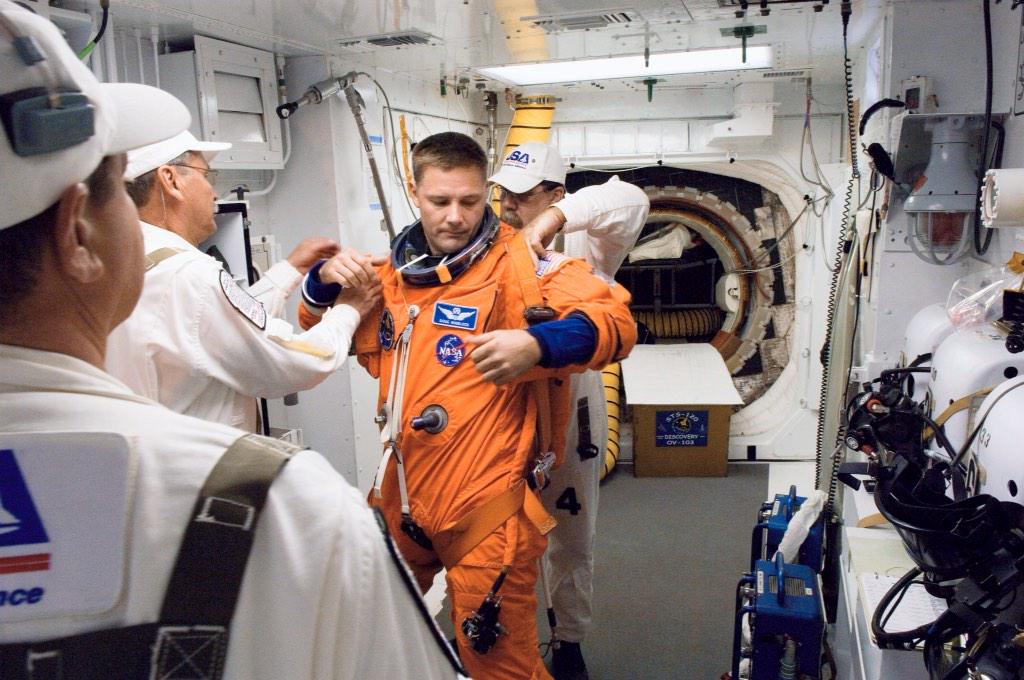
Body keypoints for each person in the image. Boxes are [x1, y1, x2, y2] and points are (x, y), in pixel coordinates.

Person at [0, 4, 465, 678]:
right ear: (77, 231)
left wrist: (286, 273)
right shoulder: (279, 511)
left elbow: (214, 322)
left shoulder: (184, 278)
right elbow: (277, 355)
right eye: (112, 196)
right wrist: (348, 311)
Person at [298, 132, 637, 680]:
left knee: (497, 663)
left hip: (484, 507)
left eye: (470, 201)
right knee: (364, 627)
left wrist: (537, 346)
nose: (455, 217)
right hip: (402, 496)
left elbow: (615, 325)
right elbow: (320, 334)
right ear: (414, 191)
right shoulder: (393, 277)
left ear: (486, 194)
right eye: (439, 202)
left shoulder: (524, 268)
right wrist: (320, 285)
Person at [489, 142, 649, 680]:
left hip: (574, 400)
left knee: (571, 535)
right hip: (505, 401)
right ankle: (503, 641)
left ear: (557, 193)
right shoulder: (487, 242)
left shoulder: (586, 241)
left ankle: (569, 639)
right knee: (501, 533)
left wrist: (551, 223)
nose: (509, 207)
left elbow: (630, 199)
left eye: (524, 196)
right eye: (503, 195)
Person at [105, 130, 376, 431]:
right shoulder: (190, 275)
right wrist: (349, 309)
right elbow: (297, 363)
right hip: (201, 468)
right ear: (171, 180)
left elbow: (223, 330)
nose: (214, 192)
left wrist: (289, 269)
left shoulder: (123, 262)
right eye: (206, 176)